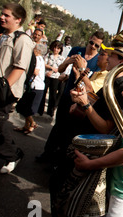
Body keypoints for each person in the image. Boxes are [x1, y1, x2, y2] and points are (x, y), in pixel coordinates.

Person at [50, 45, 123, 217]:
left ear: (121, 61)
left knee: (72, 200)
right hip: (87, 144)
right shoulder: (112, 81)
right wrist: (84, 99)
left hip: (94, 149)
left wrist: (85, 105)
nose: (106, 59)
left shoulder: (122, 87)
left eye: (111, 56)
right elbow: (98, 106)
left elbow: (106, 127)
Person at [37, 31, 104, 164]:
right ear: (89, 38)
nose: (93, 47)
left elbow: (90, 86)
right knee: (58, 126)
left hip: (79, 101)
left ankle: (58, 159)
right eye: (91, 43)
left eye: (97, 46)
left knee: (69, 132)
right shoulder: (76, 50)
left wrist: (80, 69)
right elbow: (60, 69)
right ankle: (47, 154)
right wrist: (68, 62)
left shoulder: (98, 61)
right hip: (67, 95)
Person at [0, 3, 36, 174]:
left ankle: (12, 155)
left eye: (6, 15)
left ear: (18, 20)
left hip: (5, 91)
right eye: (2, 14)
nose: (2, 18)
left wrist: (3, 87)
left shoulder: (23, 39)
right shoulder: (3, 36)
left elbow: (20, 68)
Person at [14, 43, 48, 134]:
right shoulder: (40, 59)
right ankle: (26, 126)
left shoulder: (37, 59)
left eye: (35, 49)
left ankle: (32, 123)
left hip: (36, 87)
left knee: (26, 108)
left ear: (39, 51)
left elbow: (36, 71)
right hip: (35, 86)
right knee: (24, 106)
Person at [38, 40, 66, 117]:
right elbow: (44, 63)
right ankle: (40, 110)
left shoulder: (62, 58)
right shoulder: (48, 55)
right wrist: (51, 68)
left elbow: (61, 68)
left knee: (53, 94)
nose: (56, 50)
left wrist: (54, 71)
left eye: (58, 48)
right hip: (47, 76)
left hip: (55, 77)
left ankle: (50, 112)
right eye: (55, 47)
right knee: (43, 92)